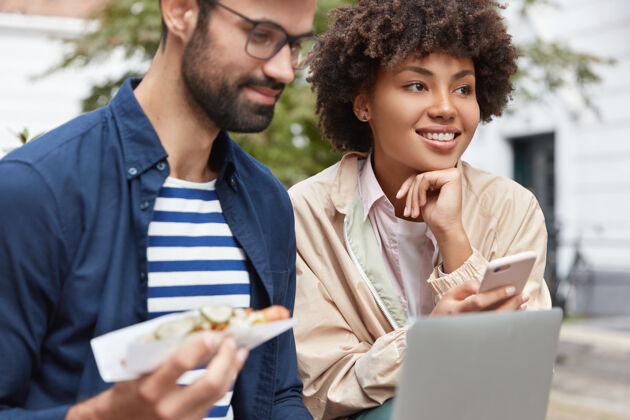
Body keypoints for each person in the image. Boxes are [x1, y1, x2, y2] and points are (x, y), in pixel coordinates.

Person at [0, 0, 319, 419]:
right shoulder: (35, 189)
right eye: (261, 36)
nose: (283, 70)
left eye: (295, 45)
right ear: (181, 10)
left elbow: (276, 394)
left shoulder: (267, 200)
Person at [288, 0, 553, 419]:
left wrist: (453, 237)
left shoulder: (511, 206)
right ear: (363, 104)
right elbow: (322, 387)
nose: (447, 107)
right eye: (417, 85)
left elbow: (515, 371)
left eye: (463, 88)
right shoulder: (305, 215)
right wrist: (430, 341)